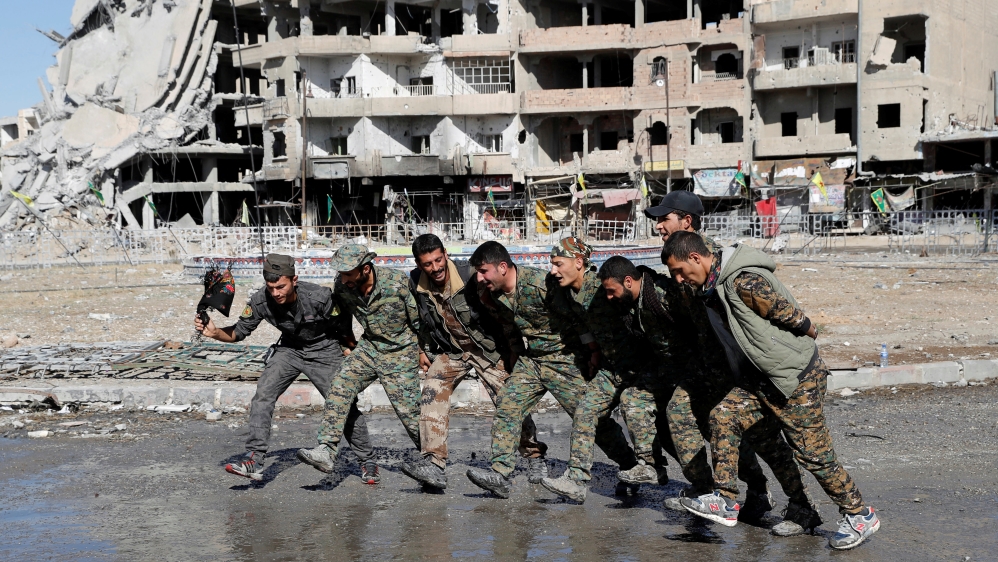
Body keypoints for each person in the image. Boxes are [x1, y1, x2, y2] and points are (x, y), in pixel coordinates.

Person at [663, 231, 881, 550]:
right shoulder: (710, 286)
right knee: (723, 416)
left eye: (680, 271)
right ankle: (725, 501)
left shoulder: (743, 280)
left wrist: (804, 333)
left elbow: (790, 314)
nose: (680, 279)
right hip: (762, 379)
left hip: (796, 377)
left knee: (814, 455)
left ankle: (861, 515)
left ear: (695, 258)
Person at [464, 241, 638, 498]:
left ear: (502, 267)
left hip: (564, 359)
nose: (479, 278)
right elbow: (510, 325)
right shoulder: (494, 293)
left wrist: (592, 352)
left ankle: (629, 466)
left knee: (592, 420)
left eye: (483, 271)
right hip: (532, 359)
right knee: (508, 403)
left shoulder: (540, 284)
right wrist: (514, 353)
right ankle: (500, 473)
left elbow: (576, 316)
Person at [194, 253, 374, 482]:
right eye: (271, 287)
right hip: (290, 349)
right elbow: (239, 331)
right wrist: (215, 332)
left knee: (342, 402)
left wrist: (347, 346)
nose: (276, 293)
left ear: (294, 280)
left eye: (280, 287)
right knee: (263, 395)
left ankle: (367, 461)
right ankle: (254, 458)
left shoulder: (319, 297)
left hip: (325, 349)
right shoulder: (261, 301)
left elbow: (343, 320)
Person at [400, 234, 547, 490]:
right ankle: (434, 464)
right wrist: (422, 349)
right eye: (427, 264)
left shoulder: (471, 275)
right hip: (452, 350)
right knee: (431, 393)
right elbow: (422, 319)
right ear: (418, 264)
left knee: (510, 402)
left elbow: (503, 315)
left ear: (445, 254)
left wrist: (513, 350)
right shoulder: (415, 282)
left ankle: (534, 455)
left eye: (438, 260)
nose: (435, 268)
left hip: (487, 350)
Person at [539, 242, 673, 503]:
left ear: (579, 262)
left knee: (659, 426)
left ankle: (667, 472)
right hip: (611, 369)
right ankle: (576, 480)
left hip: (640, 367)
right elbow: (583, 323)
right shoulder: (569, 292)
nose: (553, 270)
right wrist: (594, 353)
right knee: (585, 411)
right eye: (552, 264)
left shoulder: (602, 288)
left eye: (558, 264)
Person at [297, 244, 422, 485]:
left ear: (365, 269)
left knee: (410, 414)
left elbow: (419, 319)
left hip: (400, 351)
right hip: (370, 347)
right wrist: (347, 341)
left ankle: (432, 459)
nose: (342, 280)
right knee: (340, 385)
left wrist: (423, 351)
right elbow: (342, 316)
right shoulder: (343, 287)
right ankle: (327, 450)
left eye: (347, 274)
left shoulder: (396, 283)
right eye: (341, 274)